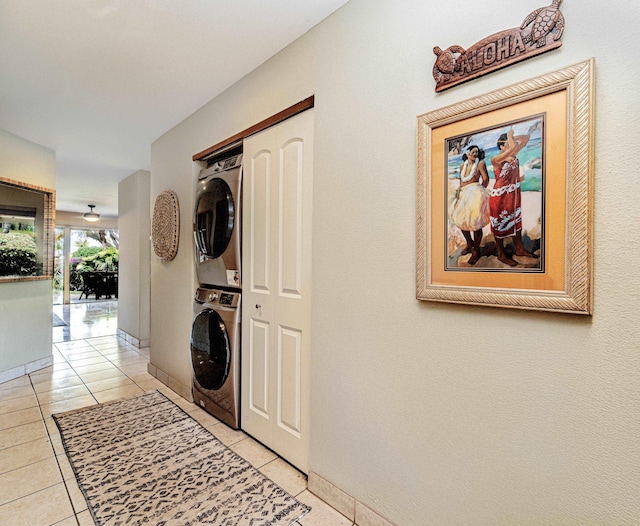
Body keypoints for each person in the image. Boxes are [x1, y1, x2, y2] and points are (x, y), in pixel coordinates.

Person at [489, 129, 538, 266]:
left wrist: (511, 136)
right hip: (500, 198)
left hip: (513, 196)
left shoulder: (513, 153)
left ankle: (520, 249)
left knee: (516, 223)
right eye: (507, 143)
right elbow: (513, 148)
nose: (512, 145)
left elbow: (526, 138)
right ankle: (501, 254)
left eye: (512, 143)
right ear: (501, 146)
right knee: (499, 225)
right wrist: (510, 138)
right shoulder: (496, 160)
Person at [449, 145, 490, 265]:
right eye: (472, 152)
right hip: (463, 193)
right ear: (467, 153)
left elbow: (485, 179)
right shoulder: (463, 165)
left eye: (476, 152)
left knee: (476, 222)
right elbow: (461, 181)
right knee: (460, 220)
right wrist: (458, 194)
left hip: (476, 193)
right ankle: (469, 242)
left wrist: (480, 192)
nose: (475, 154)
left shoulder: (480, 163)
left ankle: (477, 250)